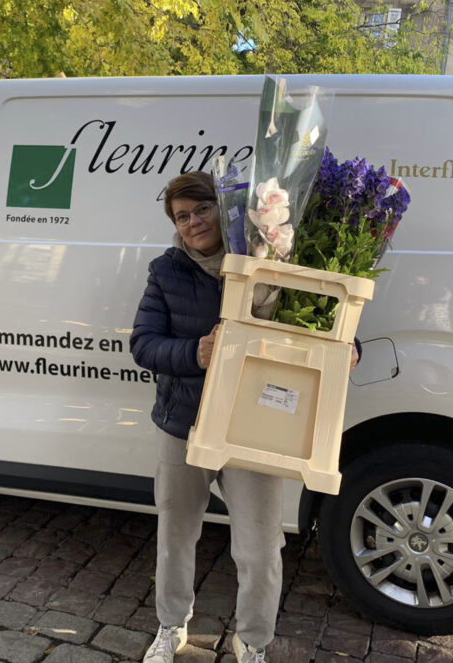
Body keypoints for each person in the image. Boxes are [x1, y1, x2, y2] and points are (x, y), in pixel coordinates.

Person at [131, 171, 359, 663]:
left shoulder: (272, 260)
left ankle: (252, 641)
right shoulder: (166, 271)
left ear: (222, 210)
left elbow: (319, 318)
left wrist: (348, 347)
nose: (194, 222)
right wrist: (194, 353)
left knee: (260, 548)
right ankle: (171, 625)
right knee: (175, 536)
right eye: (182, 217)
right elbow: (143, 344)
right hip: (184, 424)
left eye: (202, 210)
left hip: (256, 426)